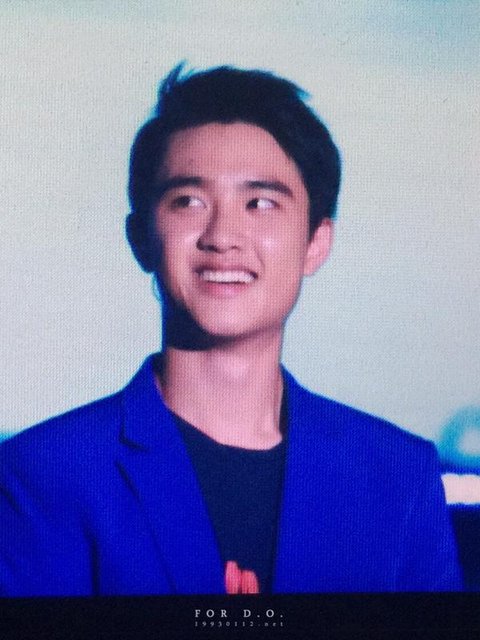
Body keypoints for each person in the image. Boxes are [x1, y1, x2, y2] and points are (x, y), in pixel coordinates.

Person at [0, 65, 462, 595]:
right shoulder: (44, 473)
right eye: (189, 201)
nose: (223, 236)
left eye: (260, 204)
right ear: (141, 238)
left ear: (316, 242)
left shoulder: (397, 476)